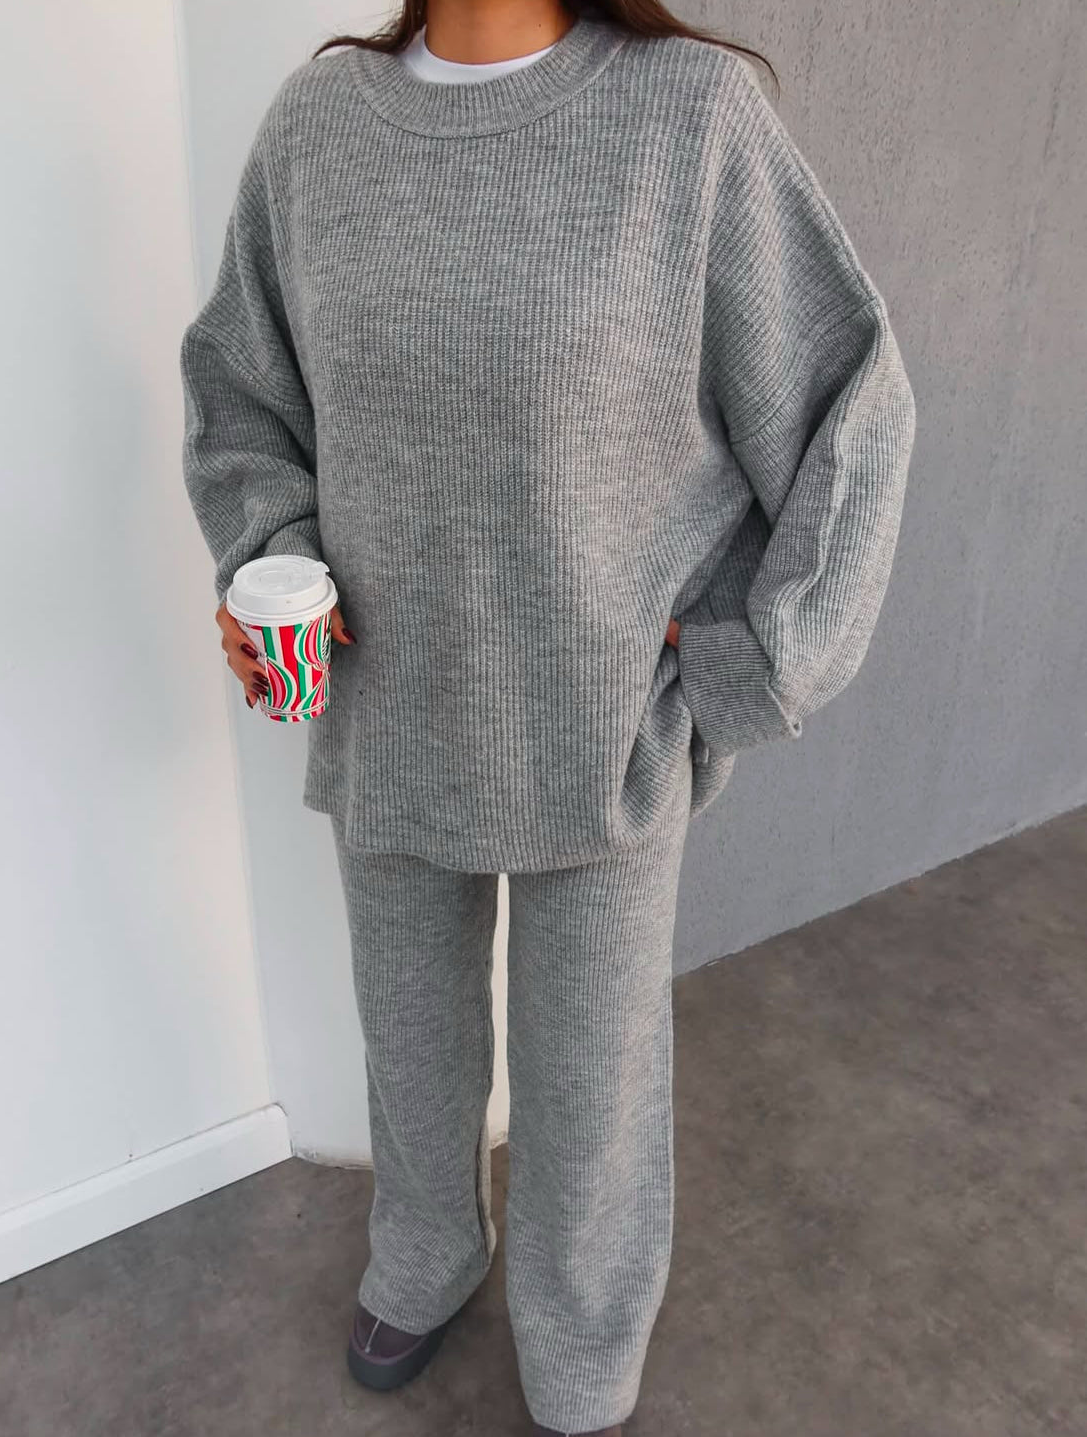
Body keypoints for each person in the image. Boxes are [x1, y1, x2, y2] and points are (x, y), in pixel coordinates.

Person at [179, 1, 917, 1432]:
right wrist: (268, 560)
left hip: (602, 720)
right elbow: (242, 392)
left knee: (589, 1082)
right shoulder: (319, 130)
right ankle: (426, 1251)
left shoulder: (689, 116)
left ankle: (581, 1339)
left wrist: (751, 656)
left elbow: (851, 407)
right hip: (385, 703)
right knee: (412, 1038)